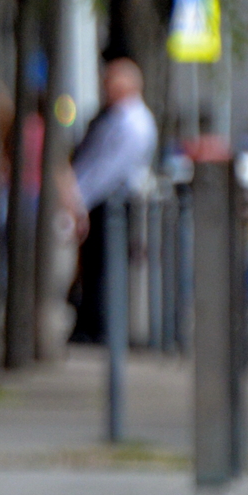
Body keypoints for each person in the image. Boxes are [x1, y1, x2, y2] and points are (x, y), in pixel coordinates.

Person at [63, 57, 158, 343]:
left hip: (111, 201)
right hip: (101, 199)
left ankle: (99, 325)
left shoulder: (133, 122)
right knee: (95, 266)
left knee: (104, 265)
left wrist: (79, 196)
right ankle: (93, 321)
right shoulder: (117, 118)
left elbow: (107, 168)